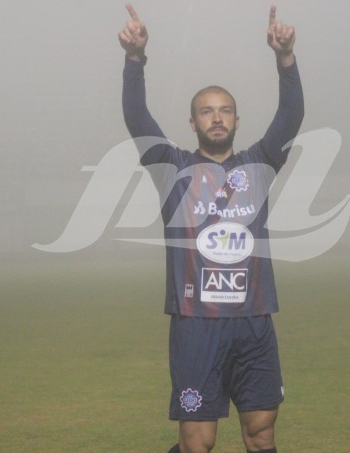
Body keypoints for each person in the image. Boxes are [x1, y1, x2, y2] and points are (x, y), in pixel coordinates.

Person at [119, 4, 303, 453]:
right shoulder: (172, 168)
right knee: (197, 442)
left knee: (261, 433)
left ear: (237, 121)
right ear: (193, 122)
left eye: (225, 111)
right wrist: (135, 60)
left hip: (254, 319)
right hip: (196, 324)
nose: (216, 117)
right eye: (206, 111)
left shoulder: (258, 165)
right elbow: (137, 118)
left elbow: (291, 116)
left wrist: (286, 61)